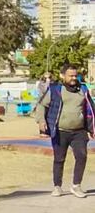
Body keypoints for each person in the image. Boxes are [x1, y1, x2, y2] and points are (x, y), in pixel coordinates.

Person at [35, 64, 94, 197]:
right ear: (63, 76)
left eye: (75, 75)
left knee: (82, 157)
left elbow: (91, 109)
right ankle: (57, 187)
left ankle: (76, 186)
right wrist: (41, 121)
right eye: (70, 75)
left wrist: (92, 129)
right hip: (60, 131)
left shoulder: (83, 89)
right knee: (59, 159)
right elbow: (41, 105)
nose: (74, 78)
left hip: (79, 131)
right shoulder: (55, 89)